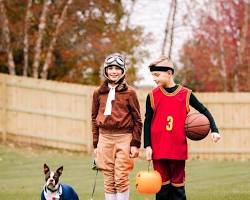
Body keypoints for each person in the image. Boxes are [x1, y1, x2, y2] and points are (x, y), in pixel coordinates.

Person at [144, 56, 221, 200]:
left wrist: (214, 129)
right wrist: (147, 145)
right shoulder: (152, 96)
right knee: (161, 189)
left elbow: (203, 110)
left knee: (178, 189)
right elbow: (147, 122)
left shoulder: (186, 94)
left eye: (157, 75)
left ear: (169, 73)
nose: (154, 79)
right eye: (152, 75)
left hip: (177, 149)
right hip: (158, 149)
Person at [91, 53, 142, 200]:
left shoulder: (130, 92)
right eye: (110, 68)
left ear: (123, 71)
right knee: (108, 179)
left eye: (117, 68)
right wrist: (96, 144)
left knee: (120, 177)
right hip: (104, 138)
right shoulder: (98, 93)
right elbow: (94, 119)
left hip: (124, 138)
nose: (114, 71)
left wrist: (135, 143)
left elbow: (137, 120)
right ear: (105, 71)